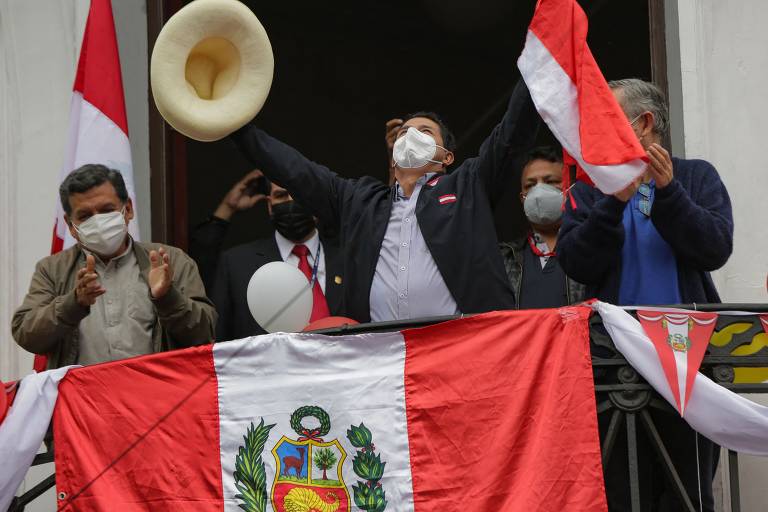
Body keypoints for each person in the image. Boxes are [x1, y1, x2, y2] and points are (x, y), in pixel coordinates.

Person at [557, 79, 734, 511]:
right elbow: (575, 261)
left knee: (686, 495)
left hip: (685, 360)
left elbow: (715, 248)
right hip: (615, 364)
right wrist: (612, 204)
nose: (593, 130)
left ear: (644, 123)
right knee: (620, 494)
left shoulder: (696, 176)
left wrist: (670, 193)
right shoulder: (588, 189)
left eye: (605, 118)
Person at [231, 79, 540, 323]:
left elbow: (512, 133)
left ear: (446, 157)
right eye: (404, 132)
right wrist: (235, 126)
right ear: (393, 158)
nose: (411, 136)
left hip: (461, 350)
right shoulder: (357, 201)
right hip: (383, 362)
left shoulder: (468, 185)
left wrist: (537, 61)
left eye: (424, 132)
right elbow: (295, 171)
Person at [12, 164, 217, 368]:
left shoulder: (169, 260)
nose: (98, 222)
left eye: (106, 210)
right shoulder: (52, 270)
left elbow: (205, 334)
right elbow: (26, 334)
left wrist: (168, 297)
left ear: (127, 210)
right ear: (71, 226)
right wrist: (73, 304)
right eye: (85, 216)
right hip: (82, 398)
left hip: (155, 395)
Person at [208, 172, 344, 341]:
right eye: (281, 196)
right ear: (270, 206)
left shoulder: (349, 258)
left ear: (316, 202)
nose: (290, 202)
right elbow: (218, 339)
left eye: (299, 194)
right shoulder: (235, 264)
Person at [499, 146, 585, 308]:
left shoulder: (591, 249)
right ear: (522, 198)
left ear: (570, 187)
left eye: (551, 181)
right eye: (530, 185)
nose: (539, 191)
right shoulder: (504, 258)